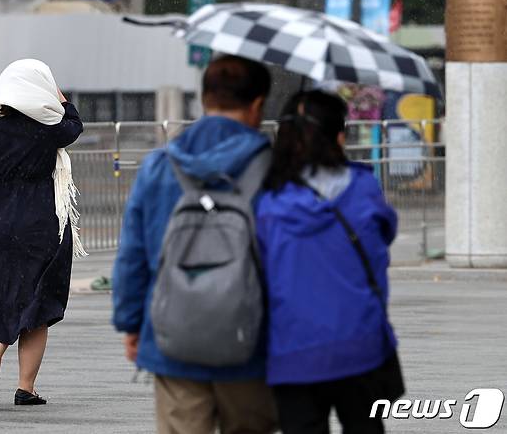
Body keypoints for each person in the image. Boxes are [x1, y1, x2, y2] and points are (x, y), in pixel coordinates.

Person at [112, 55, 278, 434]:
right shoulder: (275, 167)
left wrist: (131, 322)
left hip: (173, 338)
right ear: (257, 105)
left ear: (204, 99)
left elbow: (133, 254)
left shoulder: (160, 165)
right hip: (251, 340)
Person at [256, 90, 399, 434]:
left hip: (292, 348)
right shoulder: (363, 188)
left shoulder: (268, 200)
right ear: (338, 136)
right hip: (359, 342)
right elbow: (385, 233)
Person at [0, 59, 85, 405]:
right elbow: (75, 126)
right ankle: (25, 387)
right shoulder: (47, 130)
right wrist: (61, 99)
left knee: (5, 298)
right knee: (38, 304)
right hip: (40, 223)